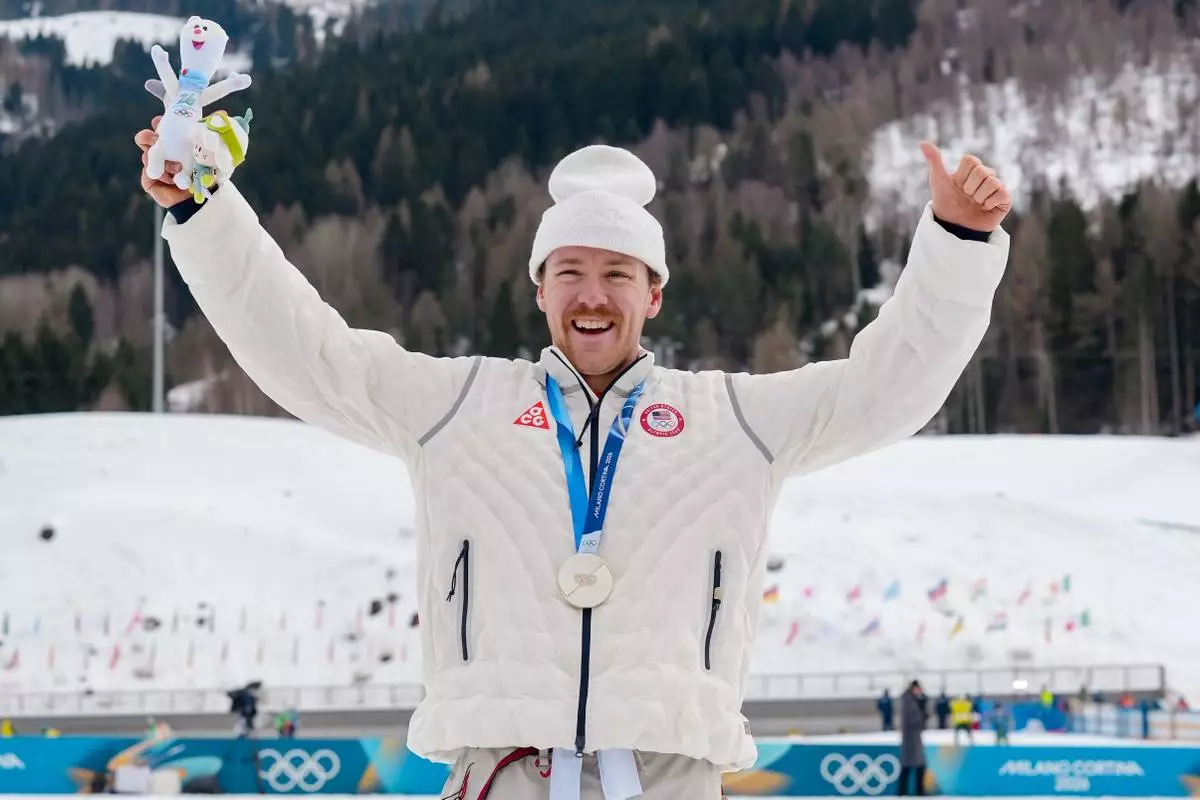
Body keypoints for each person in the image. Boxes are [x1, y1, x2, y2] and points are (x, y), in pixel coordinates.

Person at [135, 112, 1011, 800]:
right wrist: (203, 210)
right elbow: (305, 352)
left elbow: (886, 389)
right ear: (539, 286)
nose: (593, 296)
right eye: (570, 271)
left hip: (672, 775)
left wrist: (958, 243)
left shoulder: (735, 419)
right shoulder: (458, 406)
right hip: (500, 769)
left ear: (654, 292)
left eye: (618, 273)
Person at [898, 681, 928, 796]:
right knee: (911, 765)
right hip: (910, 738)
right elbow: (912, 718)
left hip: (913, 737)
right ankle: (907, 791)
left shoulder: (911, 700)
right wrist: (922, 714)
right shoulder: (908, 701)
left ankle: (914, 790)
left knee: (915, 765)